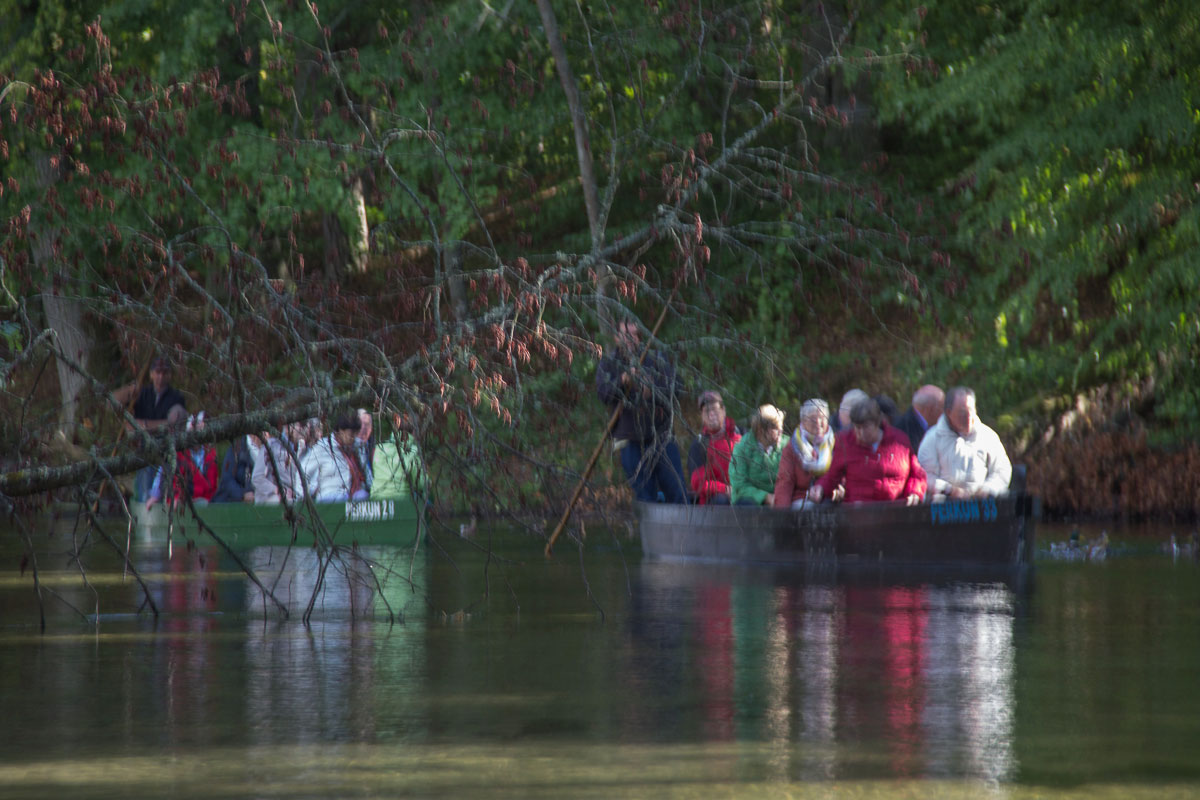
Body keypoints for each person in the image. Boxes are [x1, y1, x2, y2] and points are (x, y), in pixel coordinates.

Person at [595, 319, 687, 504]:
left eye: (635, 335)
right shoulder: (609, 363)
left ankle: (683, 531)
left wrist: (652, 389)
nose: (631, 339)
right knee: (645, 497)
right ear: (616, 337)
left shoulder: (657, 359)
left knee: (677, 493)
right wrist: (623, 380)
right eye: (626, 335)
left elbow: (678, 387)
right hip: (629, 441)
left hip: (662, 437)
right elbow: (603, 394)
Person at [809, 397, 926, 505]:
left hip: (895, 510)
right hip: (858, 513)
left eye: (865, 427)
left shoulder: (899, 440)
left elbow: (917, 473)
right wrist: (821, 488)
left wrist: (914, 492)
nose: (860, 433)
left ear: (877, 423)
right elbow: (832, 476)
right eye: (857, 427)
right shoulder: (844, 442)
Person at [112, 355, 189, 500]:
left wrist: (144, 426)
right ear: (151, 374)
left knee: (160, 490)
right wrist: (129, 390)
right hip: (144, 452)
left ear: (169, 375)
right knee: (143, 491)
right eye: (157, 372)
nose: (160, 377)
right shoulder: (142, 393)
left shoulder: (176, 397)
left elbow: (173, 423)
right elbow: (112, 401)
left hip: (165, 452)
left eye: (164, 373)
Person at [918, 386, 1012, 499]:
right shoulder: (932, 438)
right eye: (962, 413)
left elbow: (1002, 470)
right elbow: (925, 475)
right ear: (949, 412)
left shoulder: (988, 436)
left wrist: (987, 489)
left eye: (971, 410)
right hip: (944, 507)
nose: (968, 417)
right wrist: (949, 490)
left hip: (983, 505)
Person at [146, 412, 218, 509]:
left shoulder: (210, 454)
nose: (195, 436)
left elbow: (211, 486)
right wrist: (155, 496)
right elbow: (164, 475)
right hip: (180, 500)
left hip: (205, 501)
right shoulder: (178, 453)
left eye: (199, 431)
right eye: (192, 431)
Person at [773, 398, 835, 509]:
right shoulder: (792, 447)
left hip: (830, 497)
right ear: (803, 421)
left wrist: (827, 489)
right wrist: (782, 515)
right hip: (802, 500)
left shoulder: (835, 443)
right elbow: (785, 482)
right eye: (812, 419)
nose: (818, 423)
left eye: (822, 418)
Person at [687, 390, 742, 505]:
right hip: (713, 500)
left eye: (714, 409)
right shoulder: (699, 444)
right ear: (702, 416)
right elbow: (698, 483)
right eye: (707, 411)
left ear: (723, 410)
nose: (711, 414)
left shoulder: (741, 435)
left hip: (742, 491)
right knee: (722, 500)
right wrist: (726, 490)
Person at [300, 413, 371, 502]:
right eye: (351, 434)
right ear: (341, 431)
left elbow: (366, 474)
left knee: (363, 496)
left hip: (354, 497)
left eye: (356, 433)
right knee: (340, 497)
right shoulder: (323, 446)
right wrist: (300, 499)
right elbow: (303, 471)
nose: (353, 437)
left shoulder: (358, 446)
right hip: (329, 497)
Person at [729, 404, 785, 506]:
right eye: (775, 428)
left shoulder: (787, 446)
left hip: (779, 499)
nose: (781, 431)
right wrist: (765, 497)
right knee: (747, 504)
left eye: (781, 426)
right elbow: (739, 486)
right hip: (750, 503)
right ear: (760, 430)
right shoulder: (741, 449)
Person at [371, 413, 428, 501]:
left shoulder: (379, 448)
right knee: (427, 503)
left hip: (376, 500)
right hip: (400, 501)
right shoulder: (411, 451)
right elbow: (420, 483)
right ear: (414, 432)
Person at [893, 384, 945, 452]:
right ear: (931, 410)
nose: (944, 413)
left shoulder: (937, 427)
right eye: (942, 408)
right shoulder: (902, 432)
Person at [212, 435, 257, 503]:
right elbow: (227, 479)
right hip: (232, 504)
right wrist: (243, 494)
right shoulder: (236, 448)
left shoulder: (270, 447)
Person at [356, 408, 375, 491]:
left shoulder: (374, 448)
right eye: (361, 424)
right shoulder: (349, 448)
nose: (364, 429)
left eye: (367, 425)